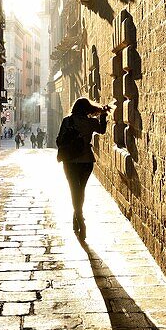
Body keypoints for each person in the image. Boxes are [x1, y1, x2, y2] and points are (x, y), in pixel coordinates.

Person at [56, 97, 109, 240]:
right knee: (81, 190)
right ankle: (77, 217)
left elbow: (59, 140)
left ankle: (80, 220)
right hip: (86, 161)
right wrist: (103, 115)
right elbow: (102, 130)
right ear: (87, 109)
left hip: (70, 161)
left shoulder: (67, 121)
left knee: (74, 189)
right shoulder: (91, 122)